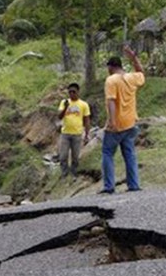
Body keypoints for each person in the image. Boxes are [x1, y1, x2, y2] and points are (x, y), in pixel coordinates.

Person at [100, 46, 145, 194]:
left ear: (111, 67)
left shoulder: (111, 80)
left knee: (107, 153)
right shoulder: (132, 77)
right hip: (131, 123)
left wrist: (112, 122)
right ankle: (133, 185)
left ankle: (109, 186)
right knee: (130, 154)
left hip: (117, 124)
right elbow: (141, 73)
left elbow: (111, 101)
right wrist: (133, 58)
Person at [57, 83, 90, 179]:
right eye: (70, 92)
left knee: (75, 156)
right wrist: (66, 107)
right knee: (63, 155)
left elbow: (87, 120)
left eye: (74, 92)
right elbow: (59, 116)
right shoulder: (64, 102)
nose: (71, 94)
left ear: (78, 92)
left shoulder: (83, 104)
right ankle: (64, 173)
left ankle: (74, 172)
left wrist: (87, 134)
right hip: (65, 133)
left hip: (77, 134)